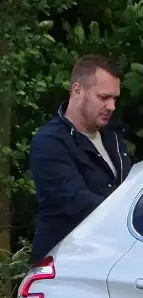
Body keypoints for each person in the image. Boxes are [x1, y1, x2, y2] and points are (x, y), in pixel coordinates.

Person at [27, 54, 133, 262]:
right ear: (77, 91)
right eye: (103, 98)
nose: (111, 106)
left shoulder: (112, 135)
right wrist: (133, 218)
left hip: (108, 259)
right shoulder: (49, 141)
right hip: (64, 266)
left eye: (114, 99)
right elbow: (79, 203)